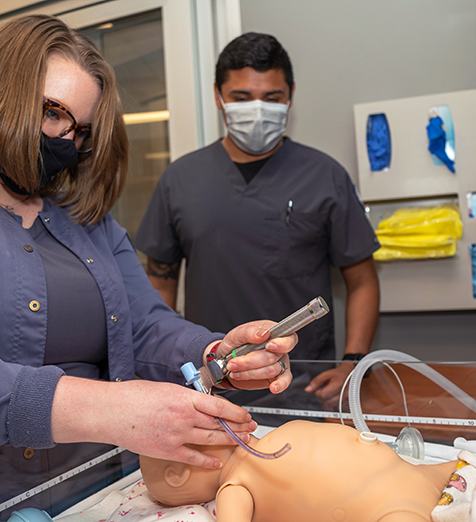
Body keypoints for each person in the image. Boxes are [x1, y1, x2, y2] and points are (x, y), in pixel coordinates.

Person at [0, 15, 298, 493]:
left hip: (83, 487)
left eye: (81, 132)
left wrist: (217, 354)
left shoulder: (87, 222)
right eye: (54, 114)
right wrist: (106, 409)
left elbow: (145, 326)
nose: (66, 141)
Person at [134, 32, 380, 407]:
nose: (258, 109)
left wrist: (354, 361)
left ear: (290, 95)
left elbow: (362, 280)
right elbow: (159, 288)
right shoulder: (180, 180)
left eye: (272, 98)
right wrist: (165, 370)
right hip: (211, 382)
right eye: (242, 97)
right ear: (219, 96)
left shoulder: (324, 175)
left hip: (303, 387)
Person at [140, 420, 458, 522]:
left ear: (176, 477)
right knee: (467, 466)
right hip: (414, 472)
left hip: (385, 508)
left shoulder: (236, 486)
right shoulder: (281, 430)